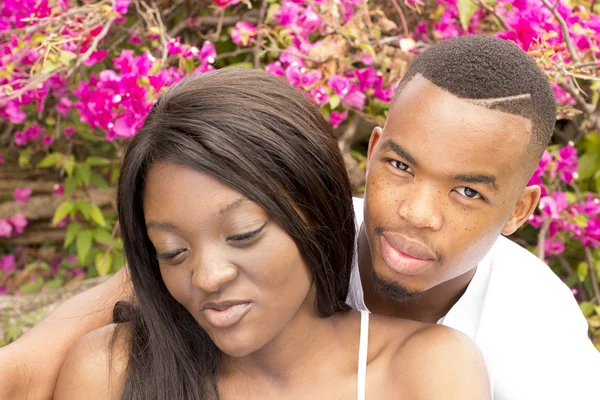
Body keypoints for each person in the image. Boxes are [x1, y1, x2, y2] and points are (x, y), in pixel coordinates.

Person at [0, 35, 597, 399]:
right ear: (373, 152)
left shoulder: (532, 333)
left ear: (518, 210)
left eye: (466, 192)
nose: (416, 213)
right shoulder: (288, 230)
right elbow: (28, 372)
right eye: (401, 167)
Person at [50, 68, 490, 399]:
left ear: (315, 212)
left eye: (242, 235)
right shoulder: (110, 372)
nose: (207, 277)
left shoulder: (424, 370)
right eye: (173, 251)